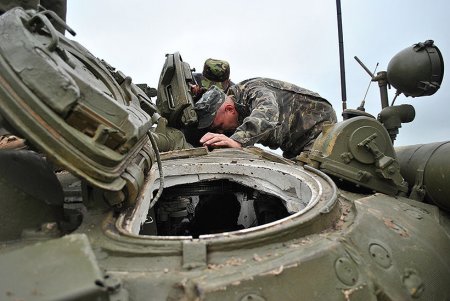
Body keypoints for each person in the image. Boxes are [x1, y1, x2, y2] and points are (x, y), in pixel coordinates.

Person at [194, 78, 337, 159]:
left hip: (318, 129)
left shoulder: (253, 90)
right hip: (291, 145)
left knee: (306, 180)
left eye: (219, 125)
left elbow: (268, 113)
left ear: (229, 110)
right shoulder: (234, 108)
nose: (220, 131)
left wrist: (237, 140)